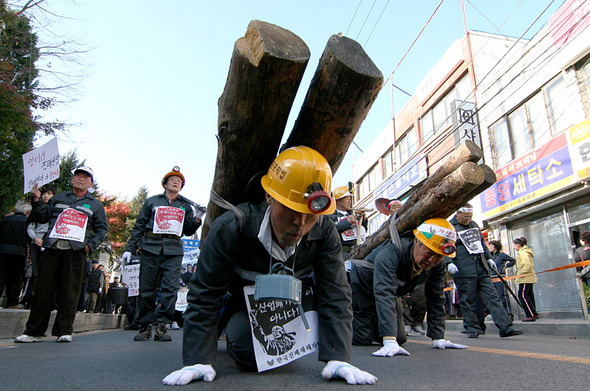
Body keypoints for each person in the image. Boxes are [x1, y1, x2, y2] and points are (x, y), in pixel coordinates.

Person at [162, 146, 377, 386]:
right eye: (290, 210)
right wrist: (197, 360)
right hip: (243, 303)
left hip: (299, 303)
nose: (300, 223)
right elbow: (205, 294)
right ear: (269, 196)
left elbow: (336, 292)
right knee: (248, 352)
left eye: (310, 214)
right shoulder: (232, 227)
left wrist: (338, 358)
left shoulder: (325, 231)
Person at [15, 166, 108, 343]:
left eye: (85, 177)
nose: (80, 179)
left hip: (76, 251)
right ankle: (34, 331)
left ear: (90, 183)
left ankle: (64, 330)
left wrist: (89, 246)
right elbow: (42, 217)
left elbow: (102, 229)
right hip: (53, 248)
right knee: (43, 289)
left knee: (70, 291)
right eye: (77, 176)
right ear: (72, 179)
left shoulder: (95, 205)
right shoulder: (58, 198)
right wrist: (36, 200)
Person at [350, 218, 467, 354]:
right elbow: (384, 293)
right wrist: (389, 340)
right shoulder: (391, 251)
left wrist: (438, 337)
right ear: (416, 241)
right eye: (428, 253)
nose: (431, 260)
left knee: (399, 338)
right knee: (364, 337)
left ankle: (375, 329)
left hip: (394, 293)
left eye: (438, 256)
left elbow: (436, 297)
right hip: (362, 288)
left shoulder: (437, 264)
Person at [122, 166, 201, 342]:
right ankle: (144, 325)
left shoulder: (185, 205)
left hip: (173, 250)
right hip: (150, 247)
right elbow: (139, 226)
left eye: (179, 181)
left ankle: (162, 325)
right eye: (172, 179)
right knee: (147, 288)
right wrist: (129, 248)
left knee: (170, 289)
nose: (176, 182)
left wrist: (197, 219)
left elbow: (188, 230)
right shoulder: (152, 202)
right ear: (164, 183)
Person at [446, 204, 522, 338]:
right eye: (465, 217)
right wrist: (449, 262)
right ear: (458, 214)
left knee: (493, 297)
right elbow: (444, 247)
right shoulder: (448, 227)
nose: (467, 219)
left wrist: (488, 258)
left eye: (470, 217)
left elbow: (481, 243)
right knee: (467, 300)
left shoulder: (474, 225)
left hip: (481, 267)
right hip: (463, 268)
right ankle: (472, 328)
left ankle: (506, 327)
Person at [23, 186, 56, 306]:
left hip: (50, 244)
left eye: (49, 194)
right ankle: (31, 299)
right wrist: (35, 238)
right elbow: (30, 226)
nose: (46, 196)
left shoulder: (55, 210)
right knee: (35, 272)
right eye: (44, 194)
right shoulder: (36, 210)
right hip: (36, 242)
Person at [0, 201, 32, 308]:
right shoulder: (27, 222)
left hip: (3, 250)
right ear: (27, 212)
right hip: (19, 252)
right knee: (15, 278)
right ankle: (12, 302)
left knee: (1, 275)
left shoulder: (5, 220)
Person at [329, 185, 367, 257]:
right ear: (338, 201)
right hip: (341, 253)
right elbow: (331, 231)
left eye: (350, 199)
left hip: (357, 251)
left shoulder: (353, 214)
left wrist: (363, 220)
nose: (350, 201)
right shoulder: (330, 216)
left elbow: (362, 233)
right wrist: (346, 222)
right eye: (347, 199)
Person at [513, 237, 538, 322]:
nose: (513, 247)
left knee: (522, 295)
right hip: (527, 277)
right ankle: (533, 313)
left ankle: (530, 314)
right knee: (529, 295)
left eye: (514, 245)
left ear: (518, 245)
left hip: (525, 278)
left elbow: (528, 265)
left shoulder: (523, 253)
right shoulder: (523, 252)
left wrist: (520, 274)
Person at [488, 240, 516, 317]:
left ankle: (508, 313)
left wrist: (506, 266)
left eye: (491, 246)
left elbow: (513, 260)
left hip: (499, 278)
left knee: (502, 295)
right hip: (491, 278)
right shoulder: (490, 256)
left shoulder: (501, 255)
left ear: (496, 246)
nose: (489, 247)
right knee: (495, 297)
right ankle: (498, 314)